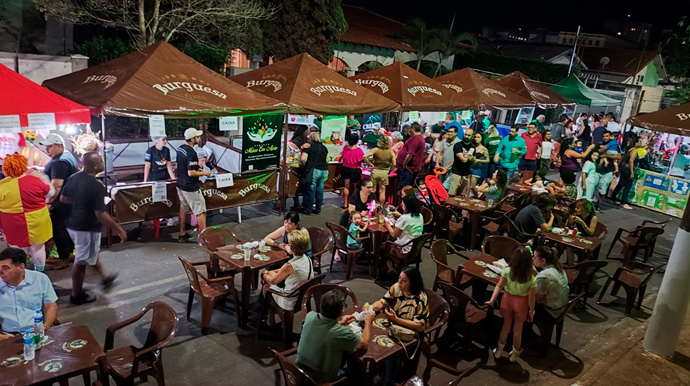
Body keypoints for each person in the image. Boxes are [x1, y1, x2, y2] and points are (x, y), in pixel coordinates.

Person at [61, 152, 128, 305]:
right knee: (81, 261)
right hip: (87, 228)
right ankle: (76, 295)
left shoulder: (73, 178)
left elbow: (63, 198)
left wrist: (80, 202)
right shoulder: (96, 185)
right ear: (95, 165)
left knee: (90, 253)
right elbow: (101, 215)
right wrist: (119, 230)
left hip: (72, 225)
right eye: (101, 161)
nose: (104, 163)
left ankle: (105, 278)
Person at [296, 289, 374, 384]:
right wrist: (368, 321)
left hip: (299, 372)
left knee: (343, 351)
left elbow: (325, 329)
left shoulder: (310, 316)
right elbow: (364, 343)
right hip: (320, 380)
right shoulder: (341, 333)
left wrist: (339, 322)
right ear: (341, 312)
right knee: (358, 368)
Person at [371, 267, 429, 386]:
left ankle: (388, 381)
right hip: (394, 324)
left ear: (412, 282)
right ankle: (381, 371)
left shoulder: (420, 299)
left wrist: (396, 319)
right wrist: (371, 308)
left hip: (410, 332)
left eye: (404, 280)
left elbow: (419, 326)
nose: (399, 283)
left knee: (392, 351)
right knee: (373, 334)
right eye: (399, 279)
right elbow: (383, 301)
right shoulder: (396, 288)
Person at [0, 154, 53, 272]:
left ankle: (21, 273)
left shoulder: (1, 185)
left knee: (18, 250)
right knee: (38, 248)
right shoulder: (35, 180)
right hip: (37, 219)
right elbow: (50, 193)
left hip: (12, 222)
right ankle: (39, 272)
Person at [487, 247, 536, 362]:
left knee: (505, 326)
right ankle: (514, 354)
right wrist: (532, 311)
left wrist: (492, 300)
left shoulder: (507, 271)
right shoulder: (531, 278)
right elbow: (531, 297)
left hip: (507, 299)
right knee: (518, 330)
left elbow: (499, 286)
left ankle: (499, 351)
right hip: (522, 302)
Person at [40, 133, 77, 270]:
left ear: (59, 146)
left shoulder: (59, 162)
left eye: (50, 147)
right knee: (66, 229)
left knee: (58, 230)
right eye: (46, 147)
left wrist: (48, 202)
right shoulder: (67, 156)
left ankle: (63, 258)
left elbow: (57, 185)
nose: (47, 150)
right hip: (70, 201)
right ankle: (68, 254)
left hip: (60, 203)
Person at [0, 248, 58, 336]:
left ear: (21, 267)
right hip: (6, 335)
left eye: (5, 268)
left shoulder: (40, 279)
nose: (1, 272)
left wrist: (45, 326)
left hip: (36, 332)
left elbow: (50, 306)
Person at [261, 230, 313, 312]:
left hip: (290, 301)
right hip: (303, 296)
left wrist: (264, 274)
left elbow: (272, 281)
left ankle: (271, 317)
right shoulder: (307, 259)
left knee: (266, 287)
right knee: (271, 274)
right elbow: (284, 271)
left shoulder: (289, 266)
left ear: (292, 247)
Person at [176, 128, 212, 242]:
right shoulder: (192, 153)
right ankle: (204, 238)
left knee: (183, 209)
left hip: (180, 184)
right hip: (190, 187)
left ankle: (182, 233)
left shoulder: (180, 148)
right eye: (197, 137)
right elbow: (191, 173)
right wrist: (205, 172)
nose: (199, 138)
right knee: (200, 211)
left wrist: (197, 167)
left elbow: (183, 165)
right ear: (192, 139)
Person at [532, 246, 569, 325]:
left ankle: (522, 330)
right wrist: (535, 273)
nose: (532, 259)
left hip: (550, 312)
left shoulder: (544, 276)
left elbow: (536, 299)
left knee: (520, 302)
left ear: (543, 261)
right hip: (561, 308)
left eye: (534, 257)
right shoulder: (559, 269)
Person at [302, 132, 329, 215]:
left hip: (314, 170)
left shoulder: (309, 146)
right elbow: (327, 159)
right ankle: (318, 209)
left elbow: (303, 159)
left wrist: (306, 165)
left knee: (311, 190)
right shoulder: (324, 147)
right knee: (320, 190)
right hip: (324, 170)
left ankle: (308, 210)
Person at [364, 136, 395, 205]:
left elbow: (365, 156)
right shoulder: (390, 152)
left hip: (375, 171)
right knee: (382, 191)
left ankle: (371, 206)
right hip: (384, 172)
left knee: (373, 190)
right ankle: (380, 207)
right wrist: (390, 170)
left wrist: (369, 164)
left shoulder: (376, 150)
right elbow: (394, 163)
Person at [565, 199, 598, 264]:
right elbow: (568, 226)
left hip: (588, 240)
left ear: (584, 210)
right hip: (579, 237)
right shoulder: (577, 215)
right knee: (562, 244)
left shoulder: (593, 217)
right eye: (576, 207)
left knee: (569, 247)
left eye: (578, 208)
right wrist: (571, 220)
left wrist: (582, 223)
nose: (575, 209)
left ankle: (570, 266)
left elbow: (591, 233)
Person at [610, 135, 639, 209]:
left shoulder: (629, 149)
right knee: (627, 186)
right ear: (637, 143)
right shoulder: (634, 151)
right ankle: (624, 202)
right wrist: (632, 172)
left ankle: (613, 198)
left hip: (623, 168)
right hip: (627, 169)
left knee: (621, 183)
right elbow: (631, 161)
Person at [395, 123, 426, 188]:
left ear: (413, 129)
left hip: (408, 169)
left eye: (410, 128)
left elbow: (410, 154)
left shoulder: (415, 139)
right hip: (409, 168)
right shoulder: (420, 138)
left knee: (405, 188)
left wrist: (405, 164)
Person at [448, 128, 475, 196]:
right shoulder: (458, 145)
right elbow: (463, 160)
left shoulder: (473, 146)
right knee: (452, 194)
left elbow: (474, 161)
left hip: (466, 174)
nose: (466, 136)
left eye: (468, 135)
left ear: (472, 136)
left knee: (463, 196)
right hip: (456, 173)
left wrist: (471, 158)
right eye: (465, 134)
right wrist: (469, 157)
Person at [341, 133, 364, 208]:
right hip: (355, 169)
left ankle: (345, 202)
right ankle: (353, 202)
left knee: (346, 186)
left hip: (345, 168)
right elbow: (361, 160)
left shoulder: (345, 148)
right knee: (356, 187)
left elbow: (342, 156)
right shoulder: (358, 150)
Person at [290, 126, 310, 212]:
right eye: (307, 131)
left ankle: (303, 202)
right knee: (295, 185)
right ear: (303, 131)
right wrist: (302, 147)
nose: (308, 133)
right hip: (296, 165)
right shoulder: (296, 141)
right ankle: (296, 203)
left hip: (304, 166)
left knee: (303, 185)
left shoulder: (306, 140)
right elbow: (293, 153)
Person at [439, 123, 462, 187]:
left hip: (451, 170)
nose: (449, 133)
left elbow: (456, 159)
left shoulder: (459, 143)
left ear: (456, 133)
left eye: (451, 132)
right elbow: (440, 152)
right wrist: (437, 164)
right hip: (442, 168)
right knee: (440, 185)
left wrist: (447, 167)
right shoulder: (444, 141)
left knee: (446, 187)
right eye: (448, 131)